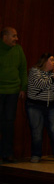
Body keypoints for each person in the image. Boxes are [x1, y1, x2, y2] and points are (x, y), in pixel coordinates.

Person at [26, 53, 54, 163]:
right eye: (51, 60)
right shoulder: (34, 71)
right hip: (35, 106)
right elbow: (39, 84)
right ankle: (36, 155)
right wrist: (53, 79)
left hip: (50, 106)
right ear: (45, 61)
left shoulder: (53, 74)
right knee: (37, 132)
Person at [0, 27, 27, 164]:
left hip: (12, 92)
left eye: (16, 36)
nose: (16, 39)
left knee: (9, 123)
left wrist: (23, 87)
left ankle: (7, 153)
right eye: (14, 36)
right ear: (5, 37)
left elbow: (23, 68)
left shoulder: (18, 49)